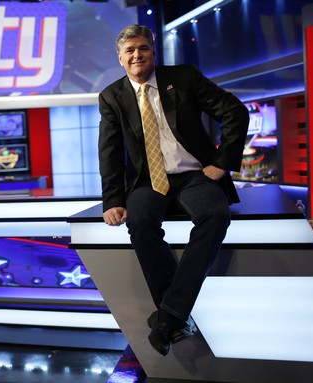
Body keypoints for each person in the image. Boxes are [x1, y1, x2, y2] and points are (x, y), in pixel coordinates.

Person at [98, 24, 249, 356]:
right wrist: (112, 200)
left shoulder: (183, 77)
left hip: (194, 174)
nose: (137, 55)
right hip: (147, 180)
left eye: (144, 48)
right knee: (139, 222)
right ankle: (176, 316)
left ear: (154, 52)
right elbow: (109, 150)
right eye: (130, 51)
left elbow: (234, 111)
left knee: (215, 213)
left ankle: (168, 317)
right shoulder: (112, 96)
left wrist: (223, 161)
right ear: (120, 58)